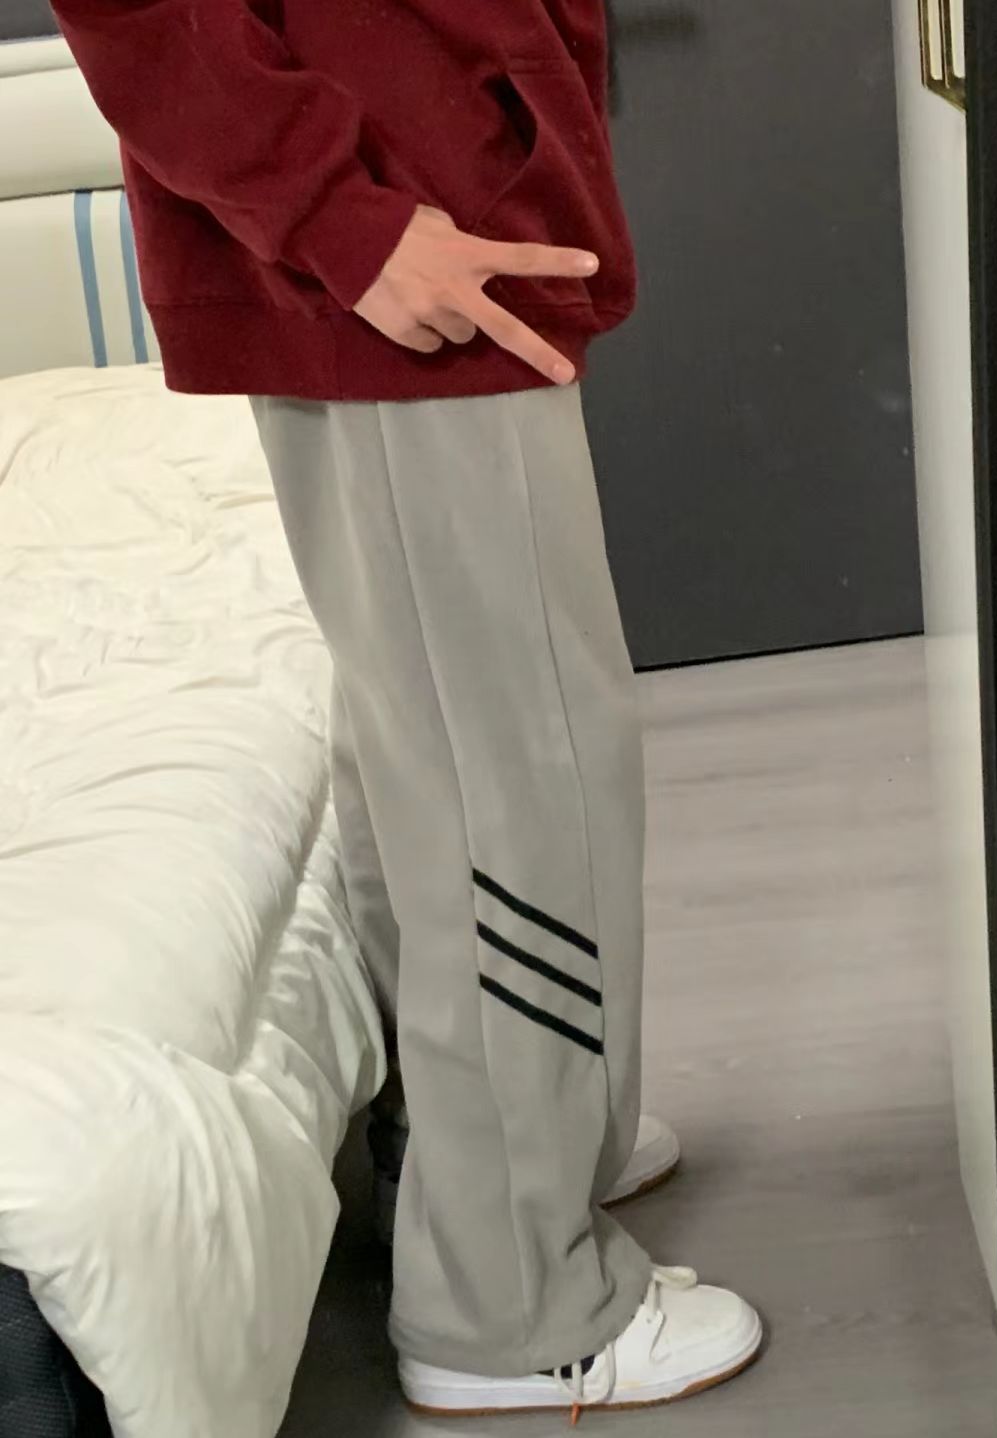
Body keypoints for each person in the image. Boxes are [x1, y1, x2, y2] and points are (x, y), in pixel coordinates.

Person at [52, 0, 762, 1417]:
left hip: (425, 215)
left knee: (431, 755)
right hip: (393, 243)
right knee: (519, 778)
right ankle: (512, 1304)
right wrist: (345, 219)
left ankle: (484, 1159)